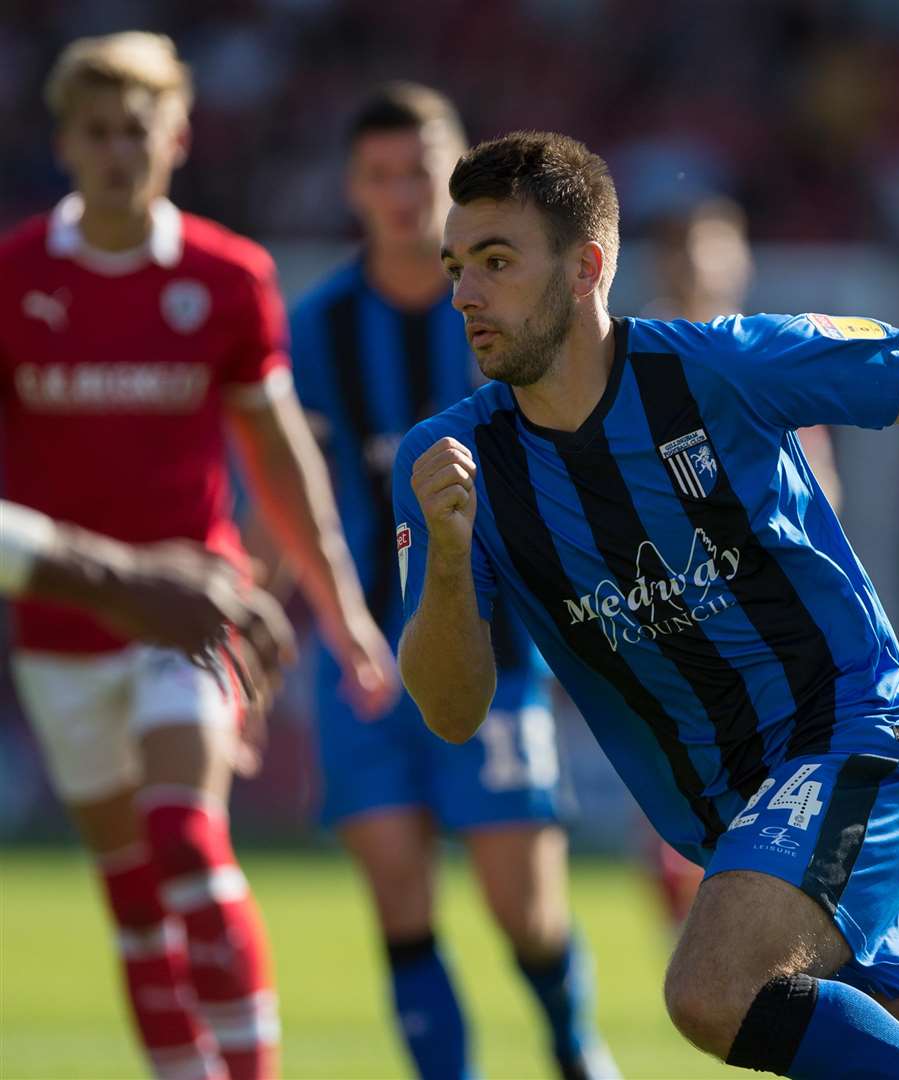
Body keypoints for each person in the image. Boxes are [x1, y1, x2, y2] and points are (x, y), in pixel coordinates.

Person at [395, 130, 899, 1079]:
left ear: (587, 269)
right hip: (749, 827)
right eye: (456, 266)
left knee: (712, 989)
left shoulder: (721, 368)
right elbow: (450, 712)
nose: (465, 295)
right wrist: (447, 561)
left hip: (860, 747)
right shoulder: (455, 464)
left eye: (495, 262)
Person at [0, 33, 398, 1080]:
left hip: (196, 611)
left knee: (184, 836)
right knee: (134, 902)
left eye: (140, 129)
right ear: (66, 145)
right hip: (58, 629)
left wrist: (343, 610)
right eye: (99, 131)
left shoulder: (228, 278)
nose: (120, 151)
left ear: (177, 137)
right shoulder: (13, 277)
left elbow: (279, 457)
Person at [285, 84, 614, 1080]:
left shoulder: (516, 311)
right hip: (366, 656)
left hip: (501, 649)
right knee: (397, 891)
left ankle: (572, 1045)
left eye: (418, 171)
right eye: (378, 176)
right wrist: (257, 597)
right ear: (352, 188)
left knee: (525, 909)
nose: (399, 194)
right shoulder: (318, 327)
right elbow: (283, 480)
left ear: (456, 173)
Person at [636, 196, 842, 928]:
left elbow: (821, 496)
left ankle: (761, 960)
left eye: (714, 247)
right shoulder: (624, 362)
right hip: (668, 627)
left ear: (743, 260)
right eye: (686, 247)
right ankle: (723, 967)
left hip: (766, 626)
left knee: (786, 815)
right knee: (685, 821)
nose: (699, 264)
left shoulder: (768, 356)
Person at [0, 499, 296, 748]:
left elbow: (284, 450)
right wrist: (124, 578)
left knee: (181, 797)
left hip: (186, 596)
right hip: (63, 632)